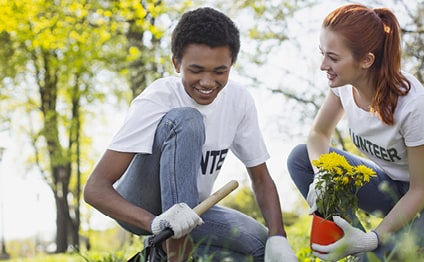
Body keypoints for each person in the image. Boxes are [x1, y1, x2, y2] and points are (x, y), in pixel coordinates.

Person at [83, 7, 297, 262]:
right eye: (196, 70)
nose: (207, 82)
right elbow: (95, 189)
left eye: (220, 71)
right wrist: (156, 224)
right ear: (176, 63)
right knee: (187, 119)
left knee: (261, 247)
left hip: (195, 210)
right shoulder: (157, 98)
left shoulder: (238, 100)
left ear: (231, 65)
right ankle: (174, 253)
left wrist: (279, 236)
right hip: (144, 209)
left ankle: (160, 254)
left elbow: (261, 179)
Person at [287, 4, 424, 261]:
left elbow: (420, 189)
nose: (323, 65)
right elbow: (318, 135)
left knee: (381, 257)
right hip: (397, 186)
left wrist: (374, 239)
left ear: (366, 60)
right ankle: (355, 245)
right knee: (301, 158)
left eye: (333, 58)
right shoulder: (343, 86)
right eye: (322, 53)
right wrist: (322, 173)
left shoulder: (412, 104)